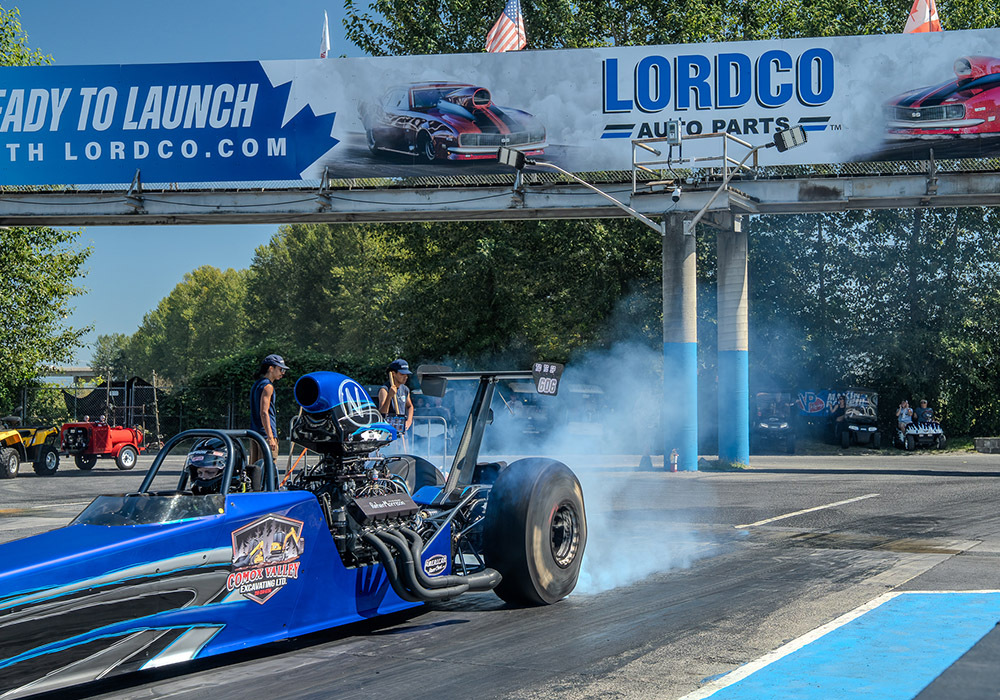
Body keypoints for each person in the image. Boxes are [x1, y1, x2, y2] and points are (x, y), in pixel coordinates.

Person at [249, 354, 288, 465]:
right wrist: (270, 437)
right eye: (281, 369)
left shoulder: (256, 384)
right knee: (268, 469)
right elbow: (264, 412)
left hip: (255, 434)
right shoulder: (268, 387)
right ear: (271, 368)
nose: (282, 373)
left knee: (255, 470)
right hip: (265, 435)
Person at [185, 437, 259, 494]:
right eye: (200, 473)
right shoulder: (192, 502)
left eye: (210, 472)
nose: (203, 477)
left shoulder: (244, 502)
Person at [378, 359, 414, 445]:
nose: (405, 377)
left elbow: (410, 406)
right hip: (389, 432)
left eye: (406, 374)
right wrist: (390, 396)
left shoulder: (405, 389)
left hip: (402, 431)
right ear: (393, 374)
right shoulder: (384, 389)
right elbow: (382, 413)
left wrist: (409, 421)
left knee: (404, 455)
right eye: (402, 374)